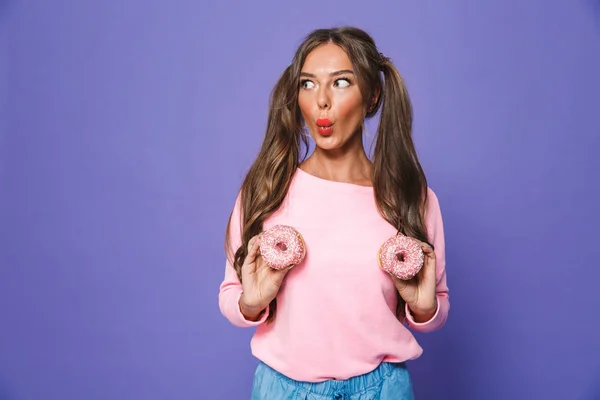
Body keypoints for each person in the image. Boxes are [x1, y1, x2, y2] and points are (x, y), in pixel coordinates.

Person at [218, 26, 449, 399]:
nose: (321, 100)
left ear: (372, 96)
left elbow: (437, 304)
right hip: (284, 388)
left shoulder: (412, 198)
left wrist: (424, 309)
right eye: (308, 84)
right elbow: (231, 292)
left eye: (341, 83)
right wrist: (252, 302)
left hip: (381, 388)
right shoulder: (266, 190)